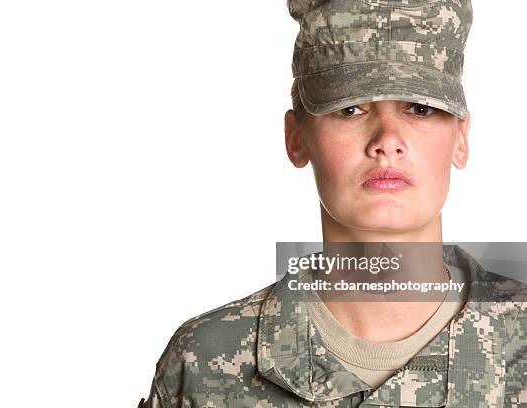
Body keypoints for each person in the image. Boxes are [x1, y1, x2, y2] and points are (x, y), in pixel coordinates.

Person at [138, 0, 526, 406]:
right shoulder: (206, 362)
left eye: (420, 108)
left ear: (461, 139)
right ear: (296, 138)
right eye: (351, 109)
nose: (387, 140)